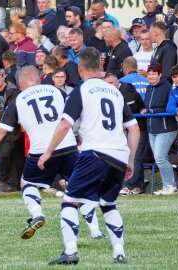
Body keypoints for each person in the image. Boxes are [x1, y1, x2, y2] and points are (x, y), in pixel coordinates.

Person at [0, 66, 102, 240]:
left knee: (26, 183)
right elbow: (76, 116)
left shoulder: (19, 99)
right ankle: (96, 231)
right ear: (40, 79)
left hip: (40, 151)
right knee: (78, 188)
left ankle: (37, 213)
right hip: (67, 146)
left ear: (21, 84)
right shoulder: (57, 91)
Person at [38, 47, 140, 265]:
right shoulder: (115, 92)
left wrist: (48, 153)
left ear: (79, 67)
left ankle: (71, 251)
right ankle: (119, 252)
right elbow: (134, 129)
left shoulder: (81, 91)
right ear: (101, 66)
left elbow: (65, 124)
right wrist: (130, 161)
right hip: (119, 155)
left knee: (69, 201)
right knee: (109, 204)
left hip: (95, 152)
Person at [103, 73, 148, 195]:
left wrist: (143, 111)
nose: (109, 86)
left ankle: (128, 185)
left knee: (135, 157)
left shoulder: (129, 93)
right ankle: (139, 185)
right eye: (106, 84)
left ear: (118, 81)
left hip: (138, 129)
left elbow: (142, 108)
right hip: (123, 130)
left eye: (111, 83)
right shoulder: (107, 95)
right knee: (133, 157)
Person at [142, 63, 178, 195]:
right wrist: (145, 110)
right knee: (160, 158)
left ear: (160, 75)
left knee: (160, 157)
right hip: (152, 129)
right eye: (149, 74)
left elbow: (168, 107)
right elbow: (147, 105)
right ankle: (167, 185)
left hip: (166, 128)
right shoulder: (148, 88)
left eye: (154, 74)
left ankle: (170, 185)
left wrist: (151, 110)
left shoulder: (167, 87)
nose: (151, 76)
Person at [0, 68, 22, 192]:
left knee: (10, 156)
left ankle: (8, 182)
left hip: (13, 129)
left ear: (4, 77)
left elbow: (10, 113)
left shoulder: (13, 92)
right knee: (5, 155)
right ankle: (7, 183)